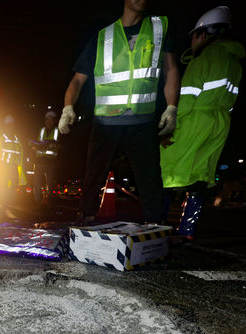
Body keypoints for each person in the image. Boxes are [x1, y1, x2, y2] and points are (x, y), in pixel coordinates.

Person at [58, 0, 180, 224]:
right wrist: (68, 108)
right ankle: (85, 221)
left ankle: (155, 228)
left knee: (149, 179)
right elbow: (77, 79)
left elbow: (170, 69)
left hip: (143, 120)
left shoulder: (158, 28)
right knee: (93, 176)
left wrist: (172, 108)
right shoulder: (103, 37)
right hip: (106, 122)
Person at [160, 6, 245, 239]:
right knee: (201, 176)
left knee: (166, 172)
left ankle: (156, 226)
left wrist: (168, 129)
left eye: (195, 36)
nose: (192, 42)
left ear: (205, 34)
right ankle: (187, 229)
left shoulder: (203, 59)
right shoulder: (234, 62)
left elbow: (186, 99)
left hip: (195, 120)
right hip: (220, 123)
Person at [0, 114, 24, 214]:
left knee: (14, 185)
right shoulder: (2, 138)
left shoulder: (16, 138)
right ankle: (4, 202)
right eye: (8, 125)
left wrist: (20, 163)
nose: (10, 127)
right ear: (5, 126)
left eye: (11, 125)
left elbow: (20, 152)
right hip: (4, 166)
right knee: (3, 185)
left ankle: (8, 201)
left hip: (14, 166)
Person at [29, 110, 60, 206]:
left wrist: (45, 145)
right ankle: (37, 202)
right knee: (37, 182)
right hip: (39, 161)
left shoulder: (56, 131)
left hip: (50, 161)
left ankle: (49, 200)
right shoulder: (41, 130)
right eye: (47, 119)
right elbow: (37, 144)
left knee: (50, 183)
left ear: (54, 121)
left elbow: (57, 144)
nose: (48, 121)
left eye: (50, 119)